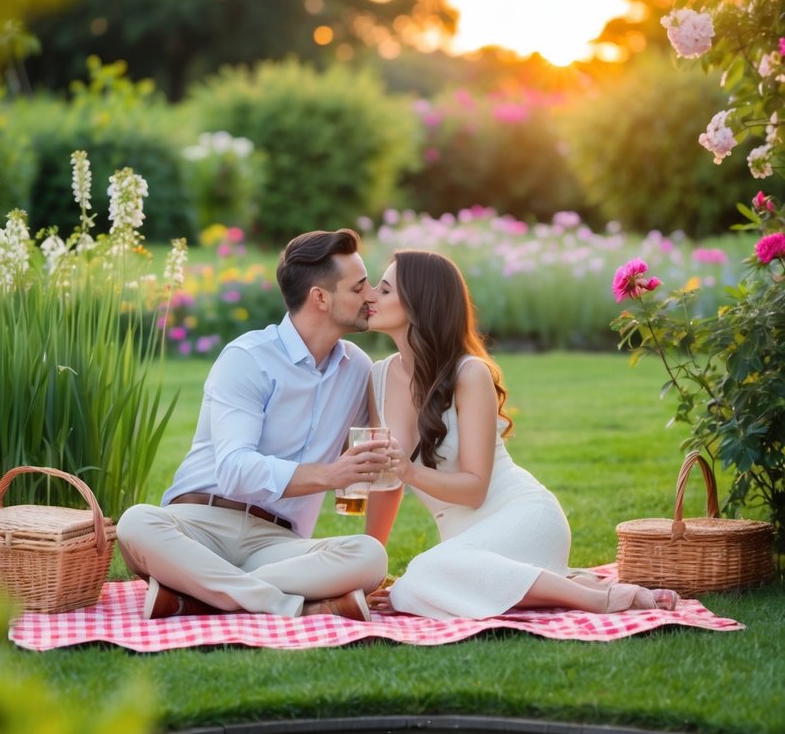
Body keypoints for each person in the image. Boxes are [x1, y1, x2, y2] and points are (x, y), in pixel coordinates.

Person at [363, 249, 679, 618]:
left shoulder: (469, 374)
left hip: (522, 517)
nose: (370, 296)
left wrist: (410, 471)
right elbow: (385, 484)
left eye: (384, 290)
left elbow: (476, 489)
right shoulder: (378, 377)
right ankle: (568, 584)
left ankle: (597, 599)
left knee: (420, 578)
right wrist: (371, 568)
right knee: (417, 582)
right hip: (466, 544)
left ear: (419, 304)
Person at [116, 228, 390, 622]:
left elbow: (377, 458)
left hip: (278, 543)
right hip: (200, 526)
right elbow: (233, 471)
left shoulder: (357, 368)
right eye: (359, 286)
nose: (370, 296)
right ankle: (290, 604)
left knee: (369, 556)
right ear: (320, 298)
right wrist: (329, 475)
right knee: (136, 523)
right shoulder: (248, 359)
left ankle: (199, 595)